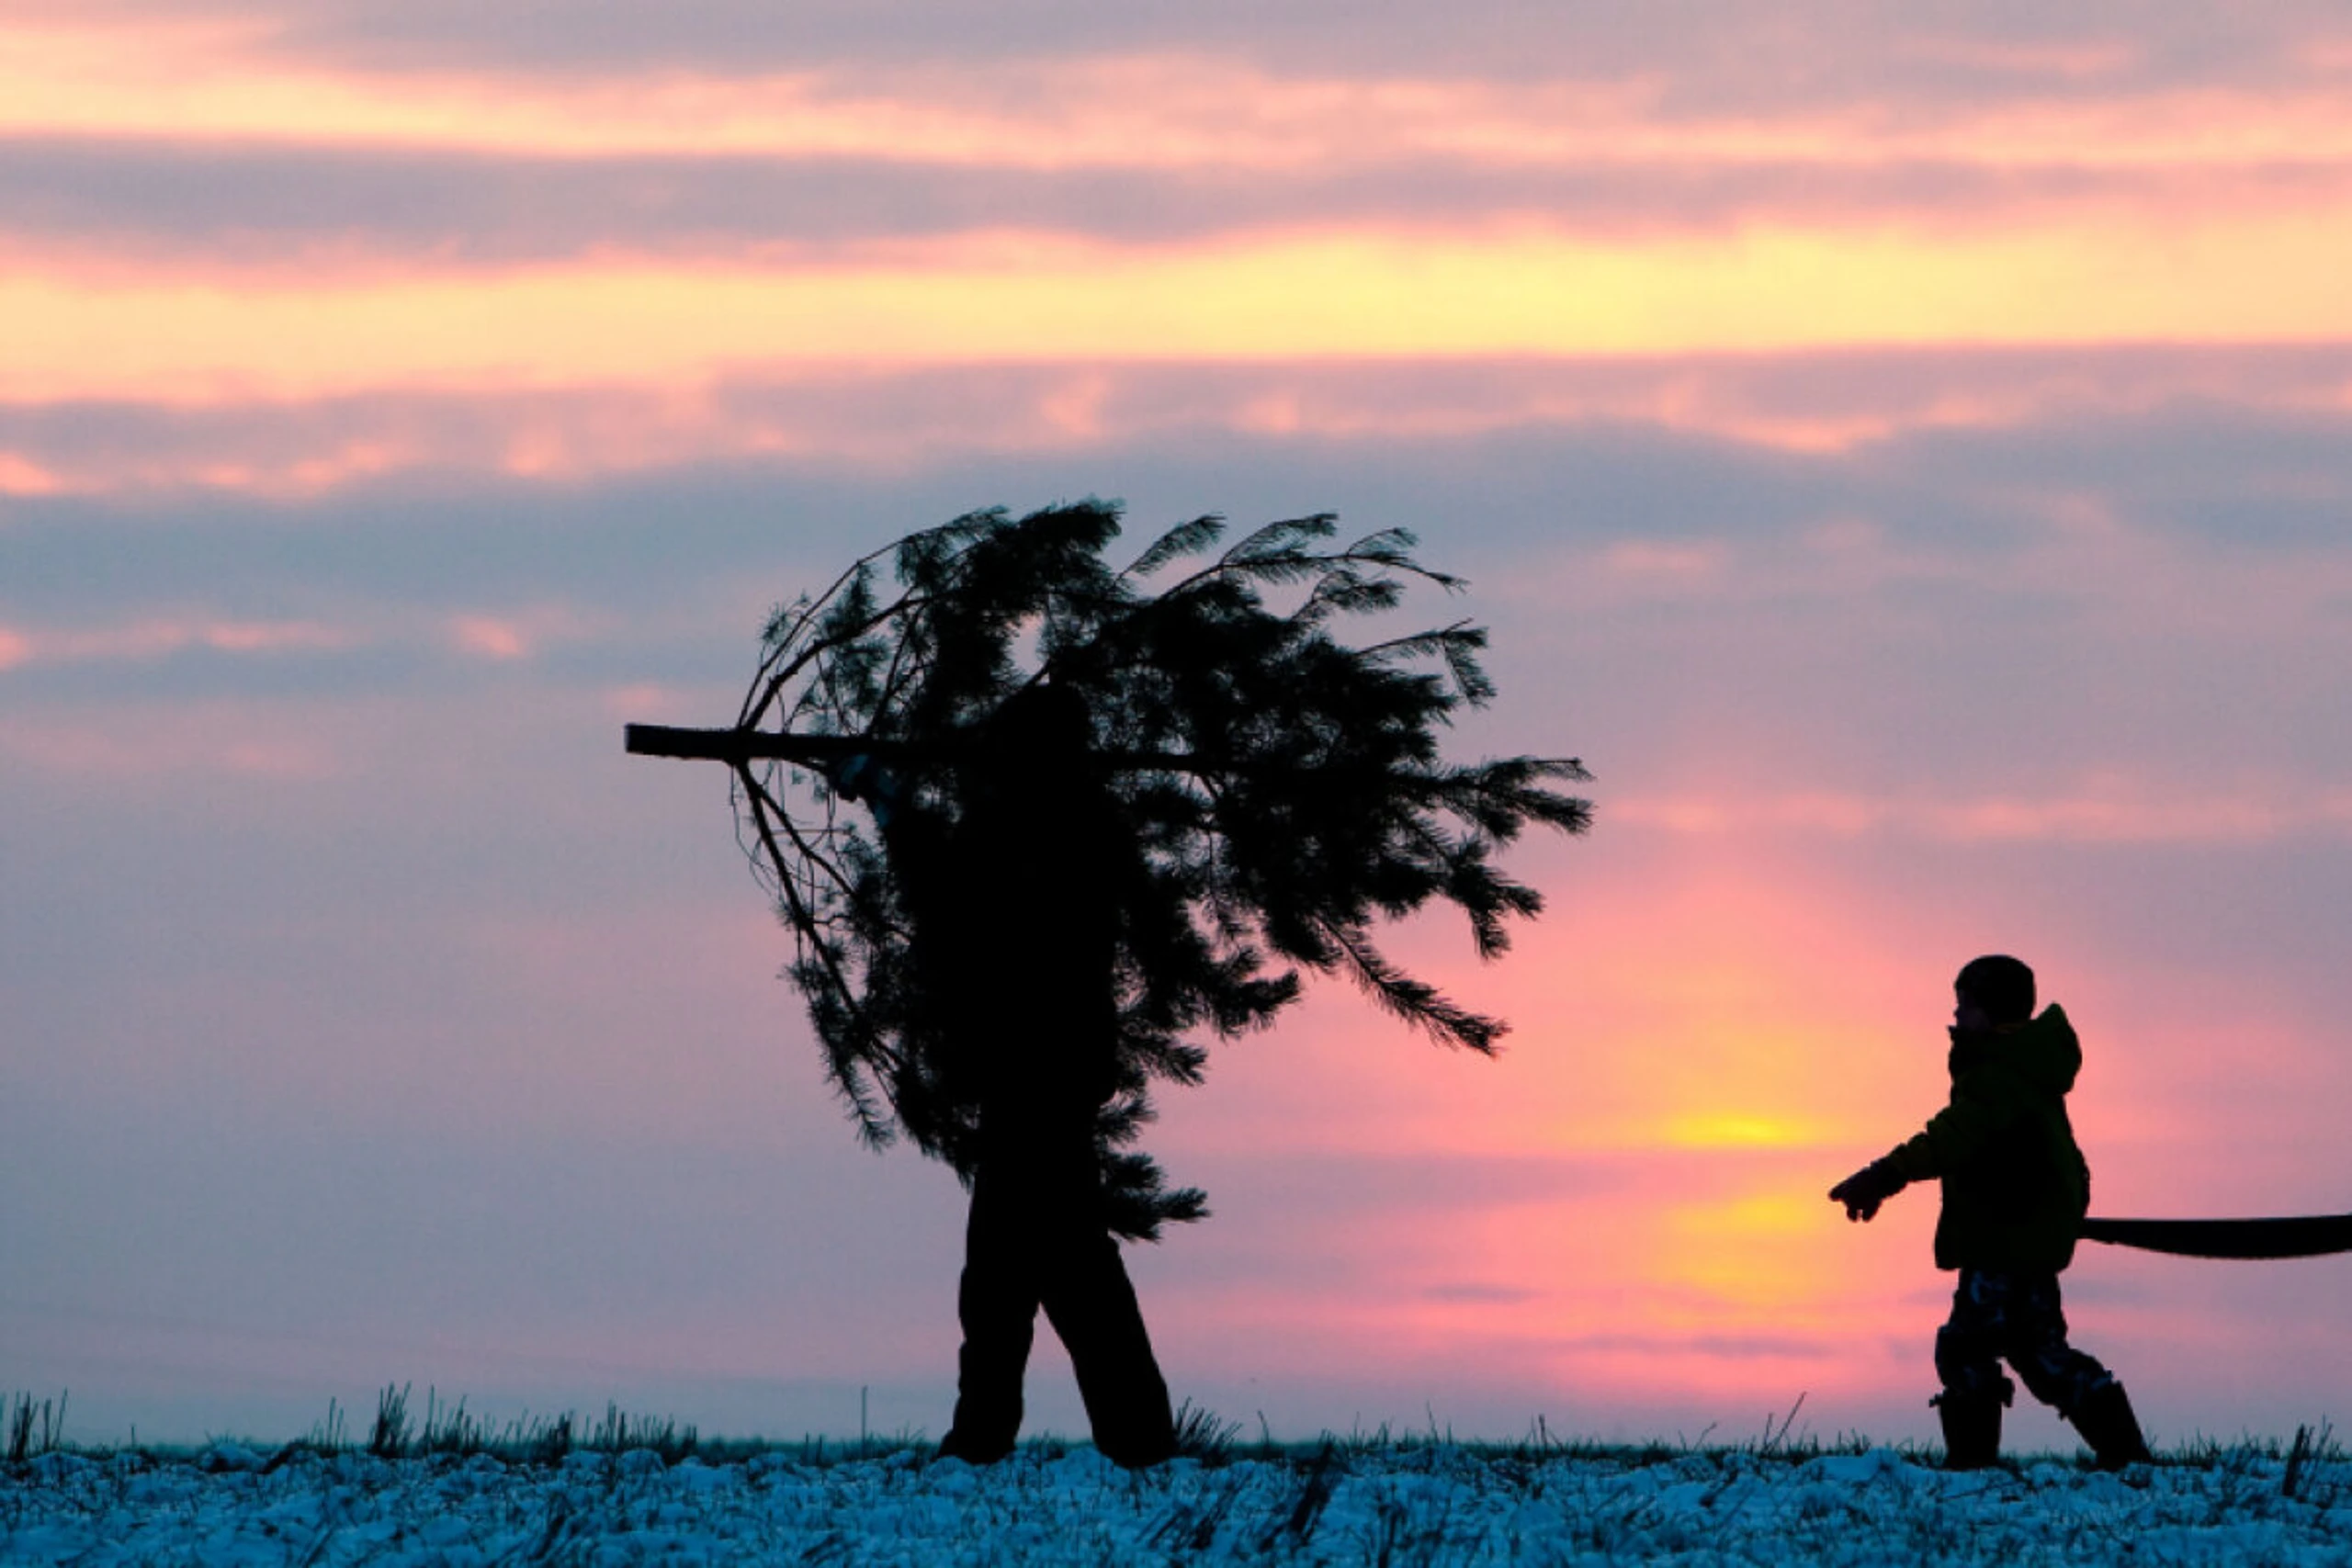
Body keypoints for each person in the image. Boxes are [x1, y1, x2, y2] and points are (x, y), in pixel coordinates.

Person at [837, 682, 1176, 1468]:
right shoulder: (1083, 830)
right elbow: (959, 886)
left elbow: (950, 894)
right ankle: (1050, 1437)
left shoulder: (1042, 835)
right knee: (1030, 1267)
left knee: (1043, 1271)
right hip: (1046, 1074)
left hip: (1035, 1077)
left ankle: (1038, 1439)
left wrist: (888, 800)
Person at [1829, 955, 2153, 1471]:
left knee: (1965, 1349)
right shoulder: (2028, 1073)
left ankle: (1971, 1466)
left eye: (1963, 1008)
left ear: (1992, 1015)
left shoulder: (1999, 1077)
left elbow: (1950, 1139)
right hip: (2025, 1243)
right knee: (2041, 1355)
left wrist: (1883, 1176)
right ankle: (2126, 1453)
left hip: (2003, 1245)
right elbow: (2068, 1162)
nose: (1954, 1020)